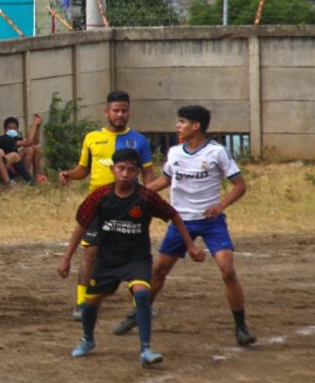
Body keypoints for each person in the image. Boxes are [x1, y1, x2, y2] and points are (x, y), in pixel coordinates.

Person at [112, 105, 256, 346]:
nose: (177, 126)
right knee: (158, 271)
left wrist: (220, 206)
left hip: (211, 223)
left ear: (196, 126)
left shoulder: (217, 152)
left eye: (182, 122)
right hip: (181, 222)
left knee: (227, 270)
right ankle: (136, 315)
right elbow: (165, 179)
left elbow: (240, 186)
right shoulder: (175, 152)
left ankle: (241, 327)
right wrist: (135, 195)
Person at [57, 149, 205, 367]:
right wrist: (67, 257)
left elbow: (173, 215)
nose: (125, 174)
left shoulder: (145, 196)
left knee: (142, 294)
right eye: (121, 168)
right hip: (107, 261)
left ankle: (146, 349)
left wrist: (190, 245)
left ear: (137, 173)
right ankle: (87, 339)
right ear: (112, 169)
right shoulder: (100, 196)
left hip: (136, 259)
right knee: (89, 305)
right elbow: (81, 225)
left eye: (131, 170)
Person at [58, 91, 155, 321]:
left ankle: (140, 304)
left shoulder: (139, 140)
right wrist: (69, 174)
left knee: (133, 254)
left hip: (129, 206)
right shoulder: (92, 138)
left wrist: (149, 198)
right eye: (116, 110)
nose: (120, 114)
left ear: (129, 112)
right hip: (98, 206)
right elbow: (83, 170)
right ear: (106, 112)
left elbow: (148, 173)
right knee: (90, 252)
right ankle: (82, 303)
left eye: (124, 111)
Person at [0, 114, 47, 183]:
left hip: (16, 164)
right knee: (29, 149)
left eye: (14, 128)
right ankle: (26, 178)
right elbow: (28, 142)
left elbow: (35, 141)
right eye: (9, 128)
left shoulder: (15, 138)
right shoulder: (4, 139)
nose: (12, 130)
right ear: (5, 129)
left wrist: (38, 126)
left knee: (35, 148)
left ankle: (37, 176)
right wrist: (34, 124)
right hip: (6, 167)